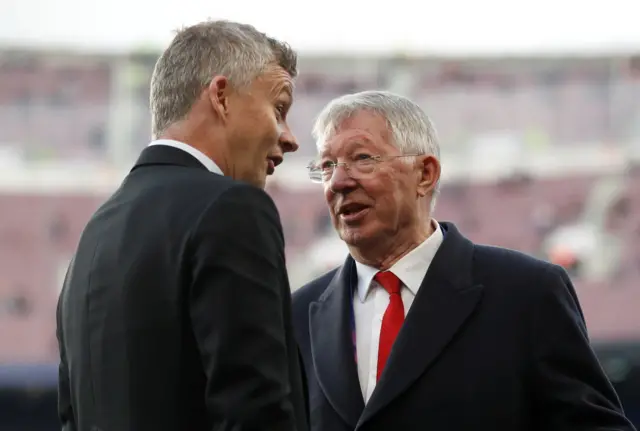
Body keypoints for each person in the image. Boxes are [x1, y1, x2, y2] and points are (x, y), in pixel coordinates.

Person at [292, 90, 635, 431]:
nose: (338, 182)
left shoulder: (527, 294)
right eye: (326, 166)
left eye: (362, 158)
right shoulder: (297, 315)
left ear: (425, 174)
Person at [56, 20, 308, 431]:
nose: (290, 138)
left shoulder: (94, 235)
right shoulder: (232, 208)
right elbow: (254, 411)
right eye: (279, 108)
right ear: (222, 97)